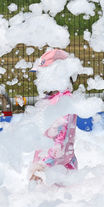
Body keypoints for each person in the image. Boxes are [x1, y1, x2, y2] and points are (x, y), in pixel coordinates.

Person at [29, 49, 79, 182]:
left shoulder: (64, 101)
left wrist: (43, 165)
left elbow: (63, 141)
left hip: (58, 169)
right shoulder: (49, 98)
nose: (38, 79)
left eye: (42, 74)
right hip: (46, 166)